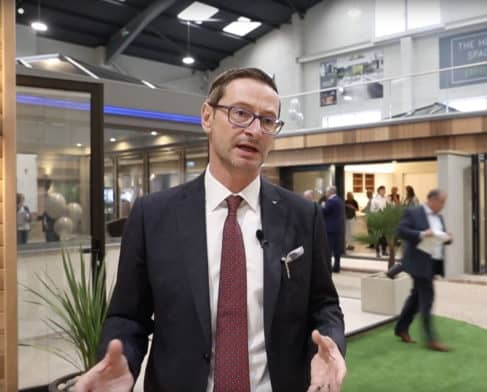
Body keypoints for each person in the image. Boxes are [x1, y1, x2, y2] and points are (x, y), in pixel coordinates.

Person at [76, 68, 346, 392]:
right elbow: (128, 318)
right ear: (207, 117)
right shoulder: (153, 215)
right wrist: (121, 363)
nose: (254, 130)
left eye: (268, 121)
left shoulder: (303, 215)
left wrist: (330, 344)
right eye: (240, 113)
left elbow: (324, 305)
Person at [394, 189, 452, 352]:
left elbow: (439, 239)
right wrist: (421, 234)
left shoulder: (439, 217)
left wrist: (447, 238)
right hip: (418, 263)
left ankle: (401, 328)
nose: (443, 206)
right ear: (431, 200)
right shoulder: (413, 212)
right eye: (441, 202)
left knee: (416, 298)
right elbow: (401, 231)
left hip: (433, 264)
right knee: (428, 299)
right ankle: (431, 339)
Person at [323, 185, 345, 273]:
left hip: (330, 229)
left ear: (330, 192)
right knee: (337, 250)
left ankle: (328, 267)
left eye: (326, 192)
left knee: (328, 249)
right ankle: (337, 267)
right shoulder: (339, 200)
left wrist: (322, 206)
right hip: (338, 228)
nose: (325, 193)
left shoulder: (330, 201)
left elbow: (324, 211)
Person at [370, 185, 389, 257]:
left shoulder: (386, 198)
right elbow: (372, 210)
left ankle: (384, 251)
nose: (384, 191)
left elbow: (388, 207)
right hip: (377, 220)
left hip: (384, 220)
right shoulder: (374, 199)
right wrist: (378, 211)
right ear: (379, 191)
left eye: (384, 190)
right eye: (383, 190)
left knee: (384, 237)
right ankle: (377, 252)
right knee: (377, 237)